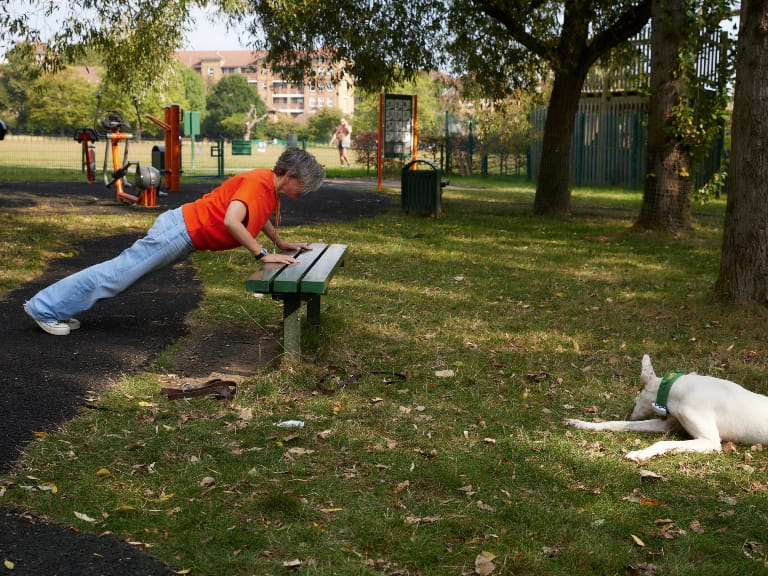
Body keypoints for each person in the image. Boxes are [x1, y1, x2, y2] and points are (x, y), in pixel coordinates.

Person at [23, 147, 325, 336]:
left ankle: (58, 308)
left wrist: (281, 242)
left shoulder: (269, 189)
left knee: (120, 276)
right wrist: (262, 255)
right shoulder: (258, 183)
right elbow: (232, 220)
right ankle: (45, 308)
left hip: (182, 231)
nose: (307, 190)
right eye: (305, 183)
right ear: (288, 174)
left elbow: (258, 217)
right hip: (178, 231)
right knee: (117, 275)